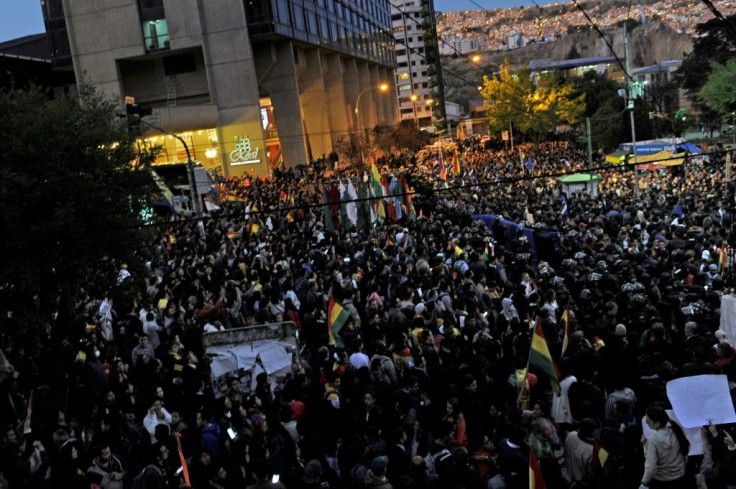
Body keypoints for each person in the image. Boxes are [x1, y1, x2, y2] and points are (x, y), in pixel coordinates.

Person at [640, 405, 689, 489]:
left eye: (648, 421)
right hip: (680, 477)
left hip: (662, 481)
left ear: (657, 423)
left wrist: (644, 483)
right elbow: (685, 453)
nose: (646, 423)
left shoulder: (653, 440)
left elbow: (650, 466)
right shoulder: (676, 432)